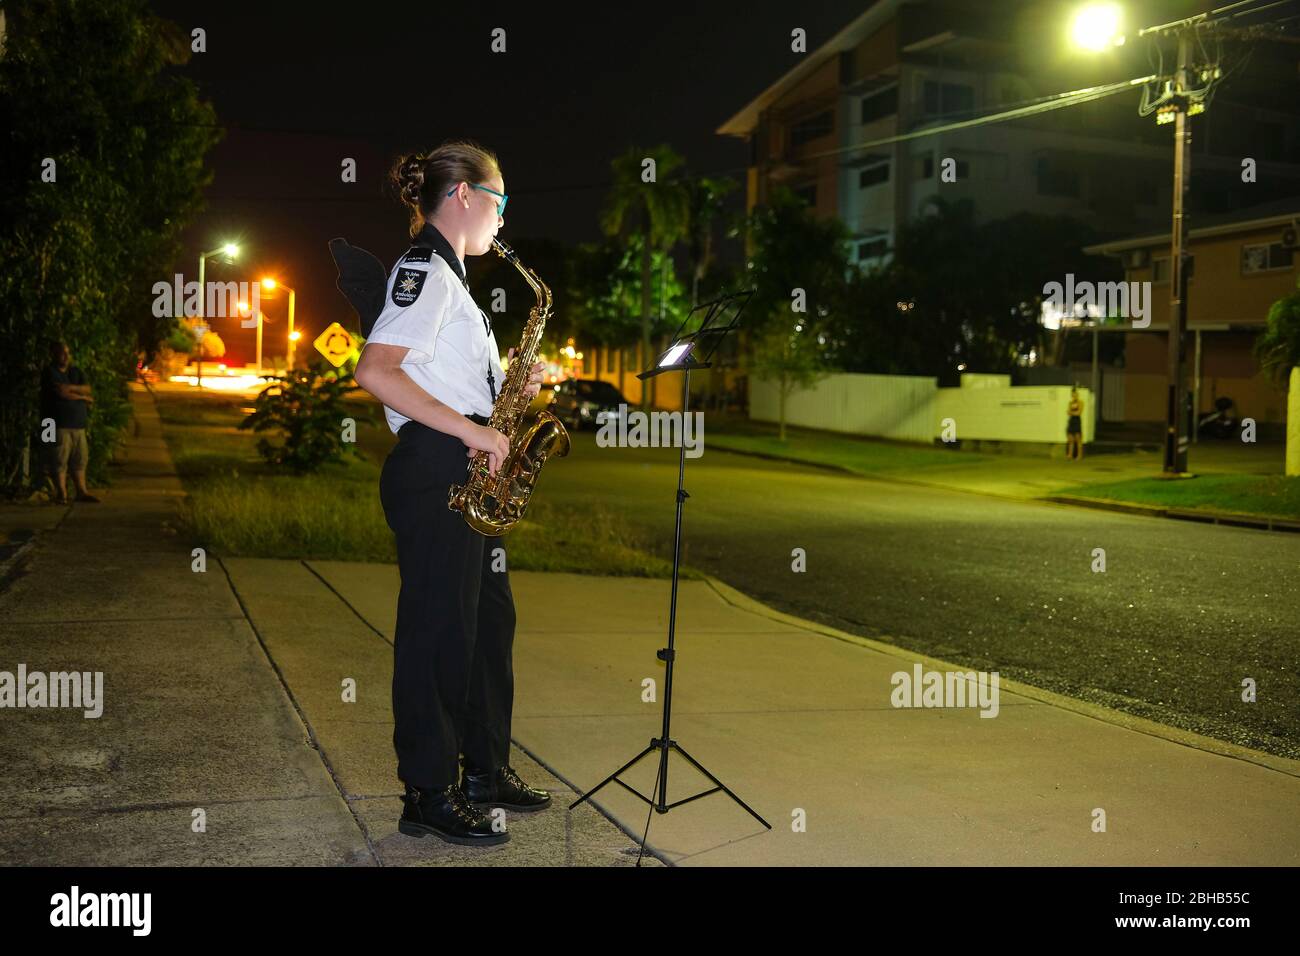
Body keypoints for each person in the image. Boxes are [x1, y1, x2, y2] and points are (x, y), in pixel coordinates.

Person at [352, 140, 550, 847]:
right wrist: (475, 431)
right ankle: (427, 792)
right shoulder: (425, 271)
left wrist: (508, 397)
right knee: (438, 631)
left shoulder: (458, 284)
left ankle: (484, 769)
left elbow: (445, 381)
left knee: (487, 626)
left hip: (464, 468)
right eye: (500, 201)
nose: (503, 217)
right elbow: (376, 371)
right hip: (436, 468)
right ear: (465, 196)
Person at [39, 341, 100, 504]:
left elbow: (87, 388)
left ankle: (81, 491)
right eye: (61, 353)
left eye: (67, 353)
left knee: (79, 458)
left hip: (78, 424)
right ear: (54, 354)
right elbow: (61, 393)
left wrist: (73, 389)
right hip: (56, 422)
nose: (65, 357)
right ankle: (61, 494)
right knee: (58, 458)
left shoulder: (75, 371)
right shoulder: (49, 372)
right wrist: (83, 397)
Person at [1066, 386, 1084, 461]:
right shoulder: (1070, 403)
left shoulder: (1080, 402)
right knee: (1071, 439)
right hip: (1071, 421)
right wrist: (1072, 413)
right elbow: (1068, 412)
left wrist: (1071, 412)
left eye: (1075, 394)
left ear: (1077, 394)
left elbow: (1079, 412)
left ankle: (1079, 455)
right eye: (1073, 394)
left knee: (1078, 439)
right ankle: (1070, 454)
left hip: (1077, 421)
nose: (1074, 396)